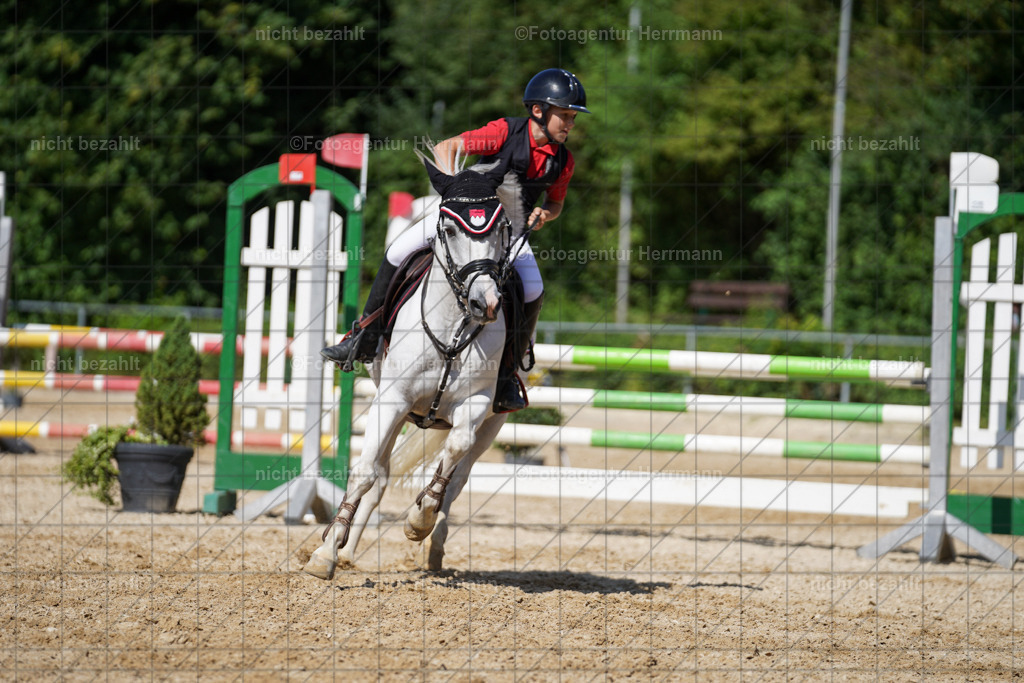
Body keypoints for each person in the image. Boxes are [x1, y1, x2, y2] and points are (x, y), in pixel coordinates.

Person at [322, 68, 589, 411]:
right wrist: (456, 193)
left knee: (534, 288)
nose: (570, 123)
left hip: (506, 235)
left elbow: (555, 203)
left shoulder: (563, 161)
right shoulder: (505, 131)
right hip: (463, 218)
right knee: (398, 250)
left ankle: (506, 375)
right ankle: (363, 336)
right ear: (538, 110)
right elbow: (447, 147)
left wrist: (545, 214)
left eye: (573, 117)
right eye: (565, 115)